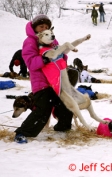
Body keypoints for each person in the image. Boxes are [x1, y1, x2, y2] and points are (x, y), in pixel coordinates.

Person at [14, 14, 74, 144]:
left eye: (46, 27)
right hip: (41, 83)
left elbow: (62, 57)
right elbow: (30, 63)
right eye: (41, 26)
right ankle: (22, 132)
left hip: (56, 81)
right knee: (43, 109)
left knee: (65, 104)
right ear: (35, 28)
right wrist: (45, 59)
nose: (44, 29)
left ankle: (63, 128)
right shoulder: (30, 42)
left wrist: (62, 56)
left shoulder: (53, 41)